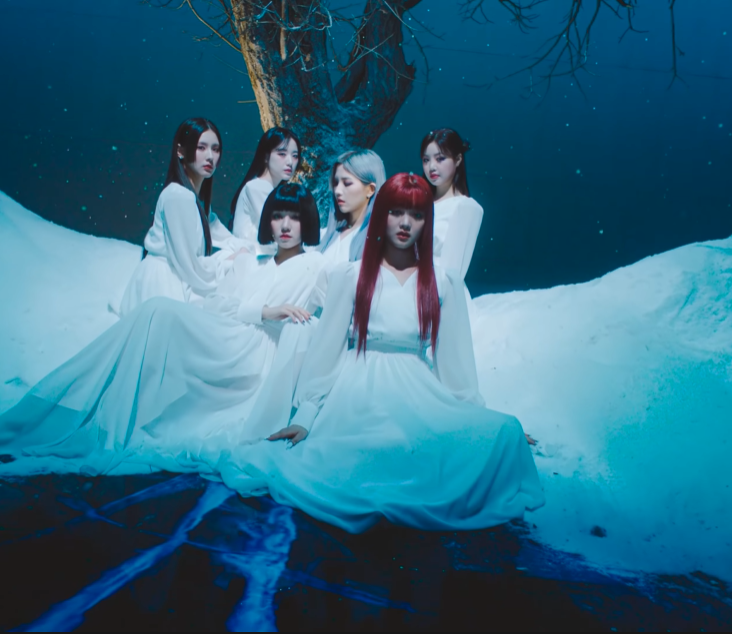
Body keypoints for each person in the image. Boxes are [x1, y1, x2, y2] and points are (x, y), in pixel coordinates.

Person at [214, 173, 544, 533]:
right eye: (396, 212)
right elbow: (326, 353)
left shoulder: (442, 282)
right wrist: (307, 414)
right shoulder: (351, 276)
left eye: (416, 215)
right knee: (370, 453)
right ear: (381, 214)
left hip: (417, 390)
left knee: (504, 432)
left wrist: (476, 416)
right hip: (357, 388)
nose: (405, 223)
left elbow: (455, 365)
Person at [0, 184, 327, 476]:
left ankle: (68, 422)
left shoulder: (315, 266)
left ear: (307, 220)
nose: (285, 225)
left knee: (157, 314)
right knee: (152, 313)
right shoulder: (255, 262)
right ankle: (32, 419)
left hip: (254, 362)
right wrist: (264, 310)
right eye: (278, 215)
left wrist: (308, 411)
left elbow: (330, 336)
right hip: (228, 335)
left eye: (294, 217)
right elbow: (218, 305)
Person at [118, 117, 243, 316]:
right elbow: (191, 267)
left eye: (215, 149)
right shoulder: (178, 196)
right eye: (201, 147)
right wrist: (228, 261)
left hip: (169, 279)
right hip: (164, 285)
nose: (210, 156)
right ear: (180, 151)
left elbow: (223, 236)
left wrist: (248, 251)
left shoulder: (194, 200)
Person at [421, 128, 483, 281]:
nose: (432, 167)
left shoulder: (465, 207)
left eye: (440, 159)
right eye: (426, 160)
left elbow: (453, 272)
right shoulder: (418, 203)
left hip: (437, 289)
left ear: (458, 159)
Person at [229, 127, 301, 253]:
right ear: (266, 156)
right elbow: (281, 229)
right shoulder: (257, 187)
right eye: (282, 154)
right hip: (253, 260)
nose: (290, 162)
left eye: (295, 156)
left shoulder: (267, 189)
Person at [317, 149, 385, 264]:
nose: (337, 191)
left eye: (347, 183)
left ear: (371, 189)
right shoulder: (324, 235)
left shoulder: (380, 242)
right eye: (335, 183)